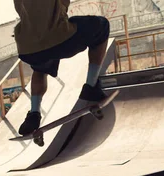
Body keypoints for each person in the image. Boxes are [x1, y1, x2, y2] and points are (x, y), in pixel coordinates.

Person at [13, 0, 110, 135]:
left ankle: (34, 114)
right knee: (102, 26)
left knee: (40, 69)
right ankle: (91, 86)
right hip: (59, 38)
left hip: (28, 47)